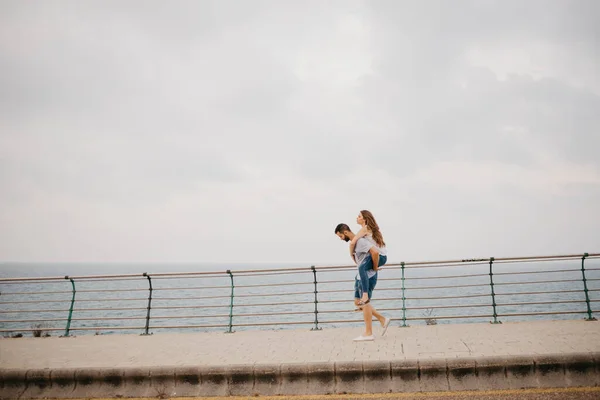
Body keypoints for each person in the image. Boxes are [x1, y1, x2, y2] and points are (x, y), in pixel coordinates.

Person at [335, 223, 391, 341]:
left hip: (368, 277)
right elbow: (359, 261)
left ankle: (368, 333)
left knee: (365, 304)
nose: (340, 239)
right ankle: (382, 319)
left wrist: (375, 268)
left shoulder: (360, 242)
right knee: (357, 302)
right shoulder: (354, 244)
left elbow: (375, 253)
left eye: (340, 236)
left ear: (345, 232)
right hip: (360, 277)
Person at [348, 210, 388, 305]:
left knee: (362, 267)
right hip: (382, 257)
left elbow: (352, 242)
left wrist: (351, 254)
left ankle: (365, 295)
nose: (357, 218)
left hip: (380, 257)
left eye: (359, 216)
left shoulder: (365, 228)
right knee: (363, 267)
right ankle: (364, 297)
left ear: (365, 219)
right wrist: (375, 267)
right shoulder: (371, 229)